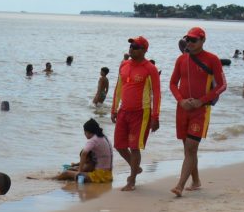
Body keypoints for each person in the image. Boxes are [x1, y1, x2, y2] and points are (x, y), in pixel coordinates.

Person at [169, 27, 227, 197]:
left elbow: (223, 85)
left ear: (202, 41)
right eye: (188, 40)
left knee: (191, 147)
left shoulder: (212, 59)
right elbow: (172, 84)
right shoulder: (181, 60)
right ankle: (196, 181)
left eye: (194, 40)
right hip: (182, 108)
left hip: (201, 110)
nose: (190, 43)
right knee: (188, 149)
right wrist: (180, 100)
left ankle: (180, 185)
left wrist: (202, 100)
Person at [110, 36, 160, 191]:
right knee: (119, 144)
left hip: (141, 112)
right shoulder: (124, 65)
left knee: (134, 147)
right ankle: (135, 166)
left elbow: (157, 94)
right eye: (131, 45)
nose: (132, 48)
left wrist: (155, 117)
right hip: (124, 111)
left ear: (144, 50)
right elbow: (118, 88)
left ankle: (131, 181)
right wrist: (114, 108)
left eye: (136, 46)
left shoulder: (149, 68)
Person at [27, 118, 112, 184]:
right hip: (108, 175)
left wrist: (80, 172)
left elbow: (84, 154)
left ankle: (46, 179)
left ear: (88, 132)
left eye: (84, 132)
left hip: (100, 177)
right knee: (74, 169)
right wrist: (78, 166)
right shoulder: (103, 138)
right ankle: (56, 176)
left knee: (66, 173)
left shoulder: (93, 140)